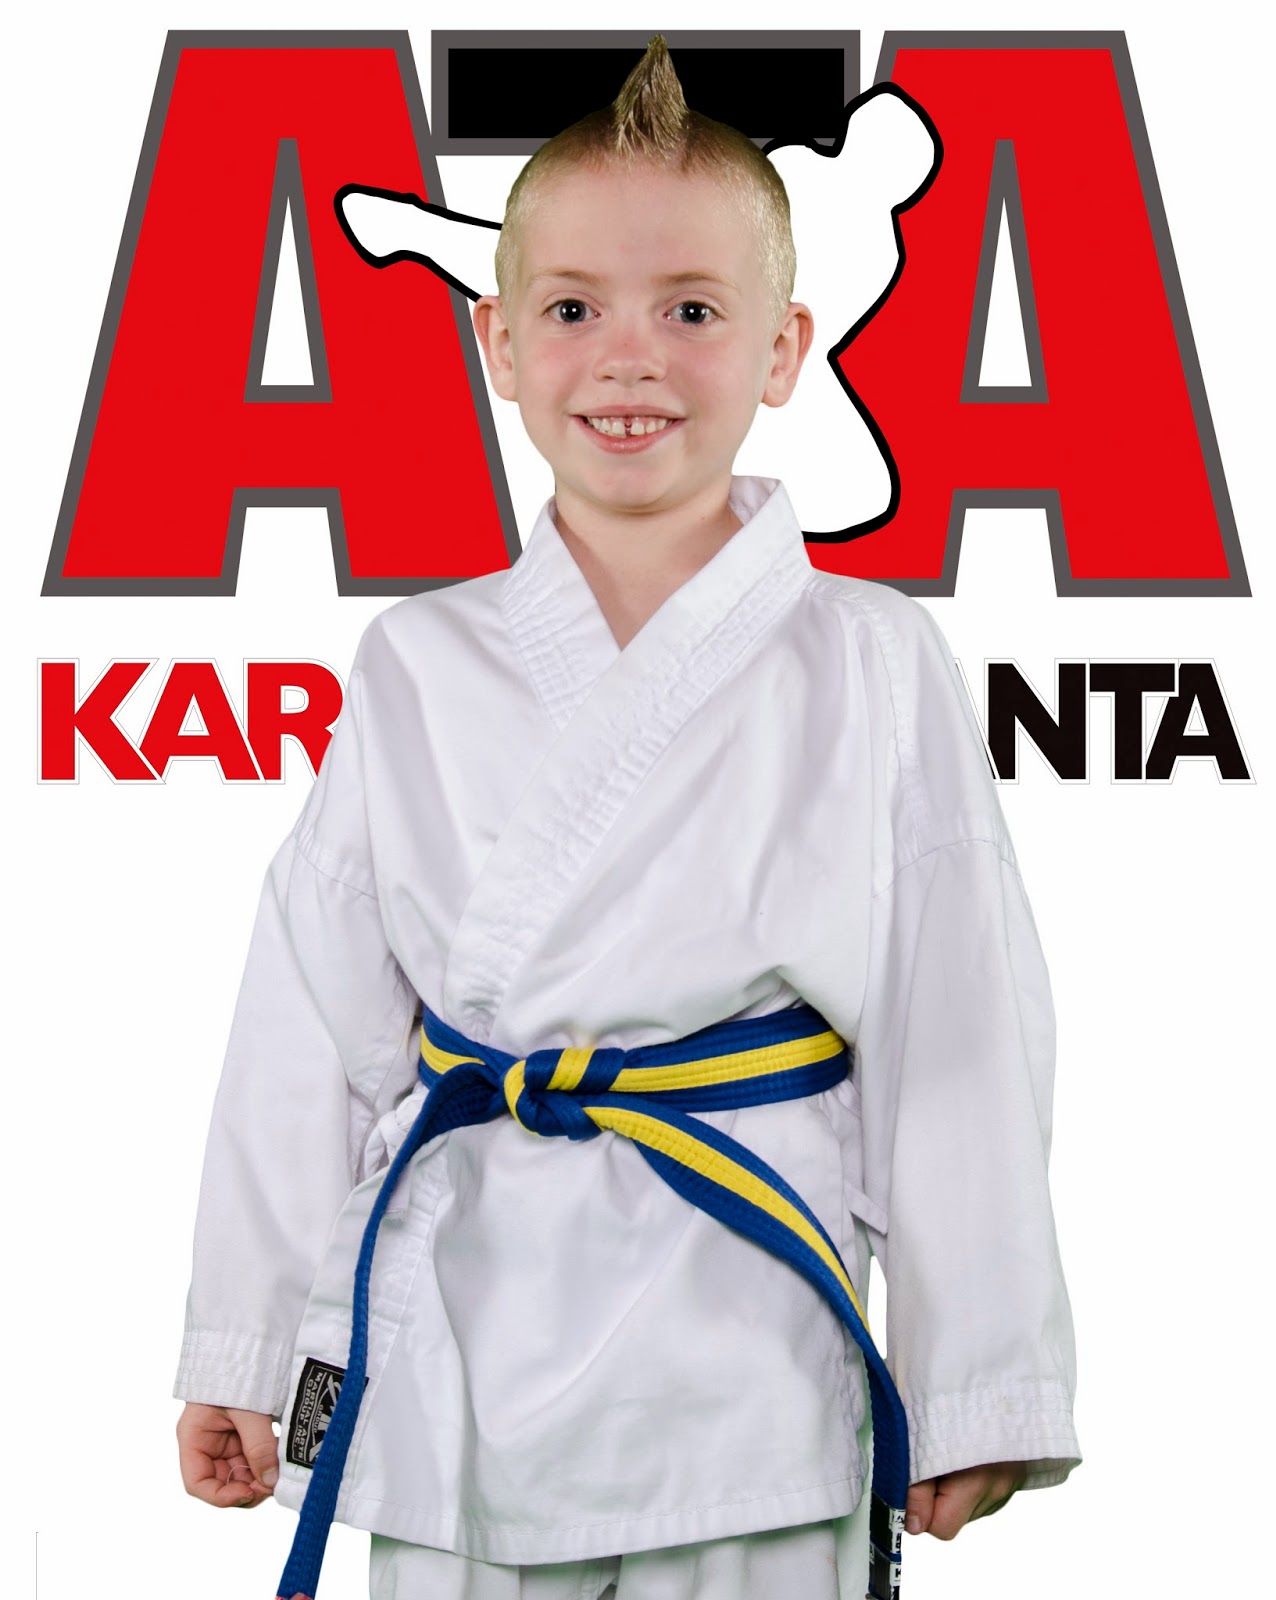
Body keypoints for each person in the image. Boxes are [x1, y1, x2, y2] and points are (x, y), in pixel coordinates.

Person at [175, 37, 1079, 1600]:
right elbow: (309, 1023)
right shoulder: (415, 660)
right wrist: (246, 1341)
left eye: (694, 312)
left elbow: (960, 1026)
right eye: (574, 309)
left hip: (745, 1344)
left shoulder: (870, 657)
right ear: (499, 341)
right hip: (460, 1340)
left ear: (785, 349)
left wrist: (973, 1373)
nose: (630, 359)